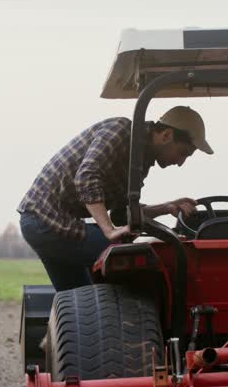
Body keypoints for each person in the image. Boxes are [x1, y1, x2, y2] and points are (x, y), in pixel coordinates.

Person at [17, 106, 213, 291]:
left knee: (82, 303)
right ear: (166, 135)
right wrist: (108, 230)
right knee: (131, 262)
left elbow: (121, 214)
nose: (180, 163)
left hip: (49, 223)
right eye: (183, 153)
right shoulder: (121, 131)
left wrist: (167, 207)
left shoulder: (140, 161)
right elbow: (86, 176)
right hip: (45, 219)